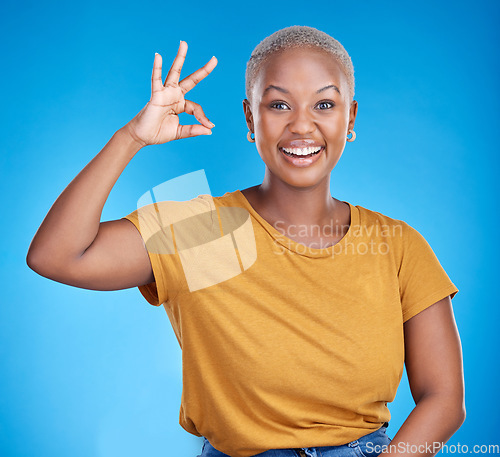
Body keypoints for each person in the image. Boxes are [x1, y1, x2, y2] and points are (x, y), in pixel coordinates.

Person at [26, 26, 465, 457]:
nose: (302, 126)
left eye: (324, 104)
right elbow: (58, 256)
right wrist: (131, 139)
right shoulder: (209, 233)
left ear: (350, 118)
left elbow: (443, 399)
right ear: (250, 118)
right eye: (278, 105)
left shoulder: (395, 245)